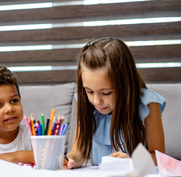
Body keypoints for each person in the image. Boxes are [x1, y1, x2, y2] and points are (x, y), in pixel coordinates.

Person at [65, 37, 166, 169]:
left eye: (106, 93)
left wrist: (133, 161)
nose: (97, 101)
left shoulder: (147, 105)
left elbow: (159, 156)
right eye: (89, 91)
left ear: (126, 85)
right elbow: (78, 151)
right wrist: (71, 159)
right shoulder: (86, 104)